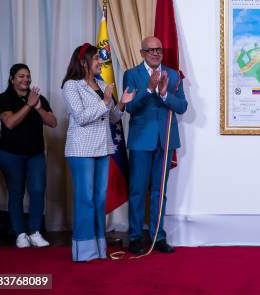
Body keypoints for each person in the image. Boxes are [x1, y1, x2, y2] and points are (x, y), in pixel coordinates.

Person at [62, 43, 134, 262]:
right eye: (96, 59)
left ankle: (99, 248)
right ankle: (84, 251)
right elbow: (82, 117)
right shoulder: (71, 86)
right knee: (85, 199)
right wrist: (104, 102)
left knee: (99, 199)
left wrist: (120, 104)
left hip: (103, 147)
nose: (100, 62)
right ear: (83, 62)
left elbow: (111, 118)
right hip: (81, 149)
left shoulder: (102, 83)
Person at [123, 36, 188, 255]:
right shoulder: (131, 74)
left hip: (166, 140)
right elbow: (129, 108)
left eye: (158, 49)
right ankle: (134, 237)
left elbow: (182, 106)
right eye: (150, 50)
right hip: (141, 141)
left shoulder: (174, 74)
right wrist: (149, 90)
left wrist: (163, 93)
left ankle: (157, 236)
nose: (155, 53)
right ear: (142, 53)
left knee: (160, 192)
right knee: (138, 191)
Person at [0, 64, 57, 248]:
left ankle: (35, 232)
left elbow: (53, 122)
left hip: (35, 154)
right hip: (10, 155)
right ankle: (20, 234)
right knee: (16, 193)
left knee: (38, 191)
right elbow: (10, 123)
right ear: (12, 79)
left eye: (28, 76)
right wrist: (28, 105)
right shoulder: (4, 99)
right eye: (21, 76)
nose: (26, 79)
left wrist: (37, 107)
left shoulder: (38, 99)